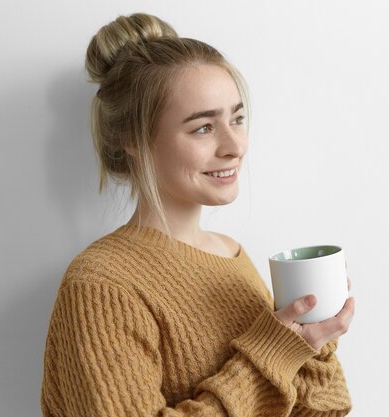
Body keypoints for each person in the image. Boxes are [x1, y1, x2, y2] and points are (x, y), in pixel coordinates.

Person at [40, 12, 355, 417]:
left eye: (237, 119)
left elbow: (323, 410)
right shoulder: (101, 284)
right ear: (132, 139)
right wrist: (270, 352)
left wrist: (313, 341)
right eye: (203, 127)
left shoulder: (231, 255)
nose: (234, 145)